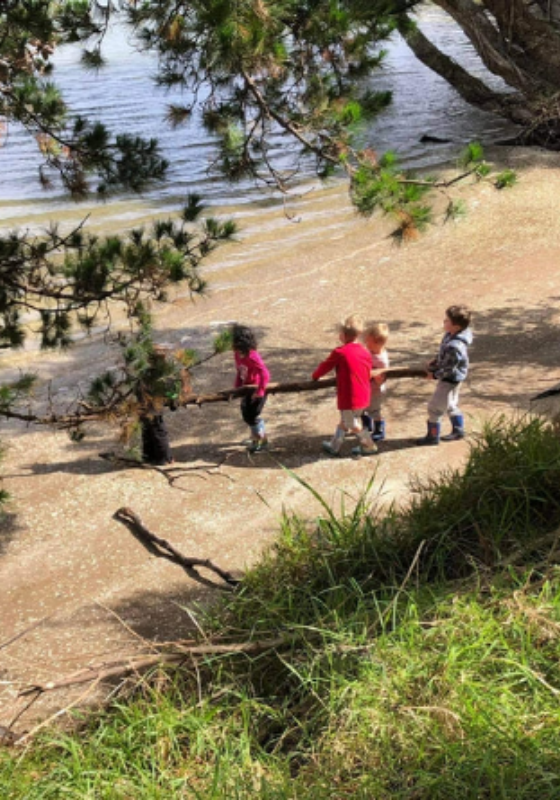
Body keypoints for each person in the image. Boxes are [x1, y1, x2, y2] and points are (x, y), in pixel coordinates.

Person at [312, 314, 377, 457]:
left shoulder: (339, 352)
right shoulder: (364, 352)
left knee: (352, 424)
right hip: (363, 394)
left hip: (350, 397)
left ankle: (369, 445)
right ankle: (334, 446)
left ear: (343, 335)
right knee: (345, 421)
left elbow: (325, 366)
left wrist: (315, 376)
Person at [417, 304, 473, 445]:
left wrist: (434, 375)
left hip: (449, 380)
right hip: (456, 377)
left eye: (447, 320)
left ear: (456, 326)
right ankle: (458, 429)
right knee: (450, 404)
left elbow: (449, 368)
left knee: (435, 408)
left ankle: (432, 436)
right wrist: (437, 360)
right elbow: (445, 355)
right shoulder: (452, 335)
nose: (444, 322)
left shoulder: (455, 346)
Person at [137, 345, 189, 466]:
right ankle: (165, 458)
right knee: (159, 432)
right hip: (154, 407)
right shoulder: (166, 375)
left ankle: (148, 456)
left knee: (146, 432)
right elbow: (171, 393)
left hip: (141, 406)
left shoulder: (144, 373)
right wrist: (174, 403)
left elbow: (137, 389)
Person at [232, 323, 270, 453]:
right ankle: (255, 435)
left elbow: (265, 373)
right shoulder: (237, 354)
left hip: (257, 389)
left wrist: (260, 391)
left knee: (251, 415)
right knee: (245, 412)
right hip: (246, 388)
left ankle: (261, 439)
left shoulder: (252, 356)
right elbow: (240, 370)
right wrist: (238, 385)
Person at [361, 322, 390, 442]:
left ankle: (379, 429)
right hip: (365, 387)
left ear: (377, 343)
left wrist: (378, 380)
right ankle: (366, 426)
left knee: (374, 410)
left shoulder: (381, 360)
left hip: (375, 390)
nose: (365, 343)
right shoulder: (369, 352)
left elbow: (383, 376)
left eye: (368, 341)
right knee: (362, 407)